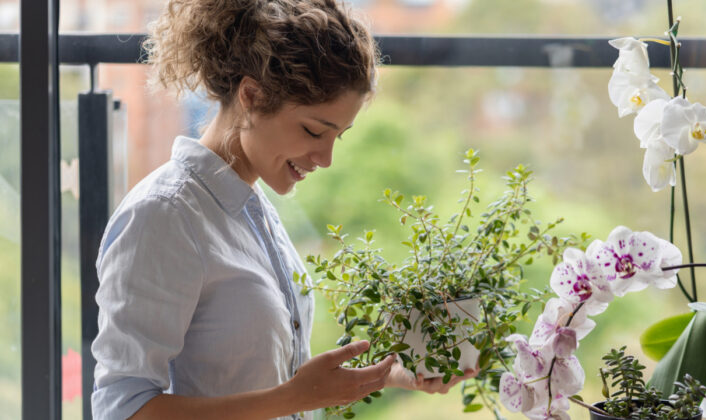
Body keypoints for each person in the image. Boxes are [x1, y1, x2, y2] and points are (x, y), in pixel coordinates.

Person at [91, 0, 478, 419]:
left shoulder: (252, 210)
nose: (326, 158)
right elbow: (122, 410)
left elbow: (261, 375)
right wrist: (297, 397)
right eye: (313, 130)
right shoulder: (164, 216)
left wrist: (386, 374)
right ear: (252, 96)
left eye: (338, 137)